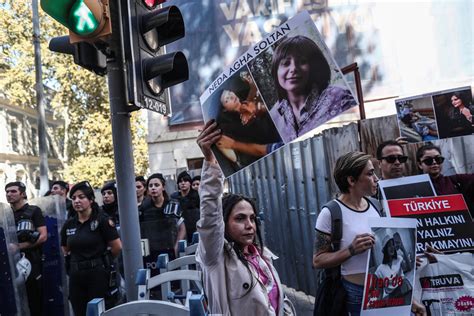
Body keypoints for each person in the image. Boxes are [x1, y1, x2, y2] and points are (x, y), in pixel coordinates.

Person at [195, 120, 293, 315]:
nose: (249, 225)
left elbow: (278, 301)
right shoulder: (216, 257)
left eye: (252, 218)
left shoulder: (261, 255)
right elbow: (210, 214)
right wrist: (211, 162)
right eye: (240, 219)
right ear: (224, 222)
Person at [313, 151, 380, 315]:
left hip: (380, 290)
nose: (376, 178)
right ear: (351, 180)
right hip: (353, 293)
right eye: (370, 174)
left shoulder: (375, 205)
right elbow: (318, 260)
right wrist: (351, 250)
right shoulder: (331, 213)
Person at [269, 35, 357, 143]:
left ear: (314, 66)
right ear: (276, 71)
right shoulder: (275, 114)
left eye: (302, 62)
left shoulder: (340, 97)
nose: (293, 69)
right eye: (286, 63)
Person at [60, 181, 122, 316]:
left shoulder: (102, 221)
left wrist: (104, 261)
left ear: (91, 200)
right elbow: (65, 248)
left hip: (98, 274)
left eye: (81, 197)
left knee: (100, 311)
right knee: (79, 311)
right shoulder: (69, 224)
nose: (77, 201)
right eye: (74, 198)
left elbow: (116, 247)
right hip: (76, 275)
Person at [5, 181, 47, 316]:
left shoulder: (34, 211)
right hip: (10, 265)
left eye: (13, 191)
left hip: (32, 263)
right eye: (7, 191)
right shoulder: (5, 215)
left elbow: (43, 236)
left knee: (35, 302)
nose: (9, 194)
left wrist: (19, 247)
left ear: (22, 194)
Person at [139, 173, 186, 264]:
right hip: (152, 252)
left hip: (171, 249)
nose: (153, 188)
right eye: (150, 186)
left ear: (163, 187)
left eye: (157, 185)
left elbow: (182, 228)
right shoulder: (143, 209)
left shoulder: (173, 205)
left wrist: (177, 245)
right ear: (147, 189)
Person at [416, 143, 474, 216]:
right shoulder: (414, 187)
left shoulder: (456, 180)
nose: (434, 162)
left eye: (438, 159)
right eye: (428, 160)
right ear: (420, 165)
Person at [374, 232, 412, 302]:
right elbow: (380, 290)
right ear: (385, 249)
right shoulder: (380, 270)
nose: (392, 247)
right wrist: (377, 304)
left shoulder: (399, 258)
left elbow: (409, 268)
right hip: (393, 296)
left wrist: (403, 249)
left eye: (393, 245)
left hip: (405, 288)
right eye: (389, 246)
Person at [171, 171, 200, 243]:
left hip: (196, 230)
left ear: (190, 183)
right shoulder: (174, 198)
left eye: (185, 181)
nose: (183, 183)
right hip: (180, 232)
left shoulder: (197, 196)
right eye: (180, 181)